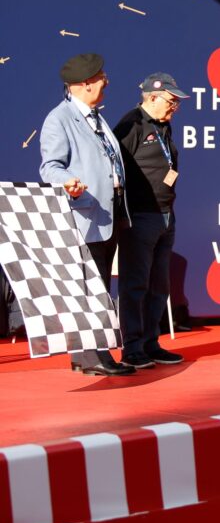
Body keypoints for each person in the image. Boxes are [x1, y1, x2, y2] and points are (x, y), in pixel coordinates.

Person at [39, 53, 134, 375]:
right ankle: (93, 355)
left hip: (110, 213)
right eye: (100, 77)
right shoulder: (60, 118)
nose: (105, 81)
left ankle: (88, 354)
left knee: (100, 285)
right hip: (86, 215)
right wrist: (66, 182)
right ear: (84, 84)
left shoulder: (95, 116)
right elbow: (50, 166)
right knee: (89, 287)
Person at [112, 73, 189, 368]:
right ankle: (132, 347)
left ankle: (150, 342)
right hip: (140, 216)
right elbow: (115, 169)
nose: (175, 107)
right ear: (152, 96)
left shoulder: (164, 126)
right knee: (135, 284)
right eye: (171, 101)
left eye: (177, 103)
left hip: (166, 214)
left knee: (159, 285)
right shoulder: (131, 124)